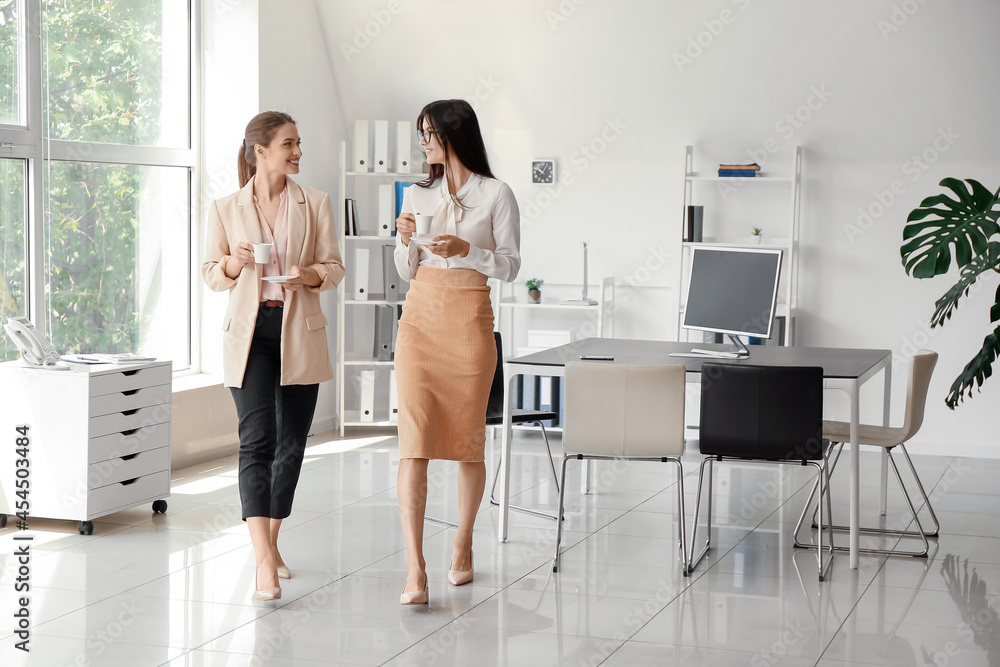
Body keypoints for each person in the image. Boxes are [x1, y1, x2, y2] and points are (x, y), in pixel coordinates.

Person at [202, 111, 344, 601]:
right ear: (261, 151)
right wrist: (235, 262)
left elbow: (335, 267)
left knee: (292, 444)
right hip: (250, 334)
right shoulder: (225, 208)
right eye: (289, 144)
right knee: (256, 441)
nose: (298, 151)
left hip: (299, 329)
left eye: (299, 143)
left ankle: (271, 542)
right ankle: (263, 561)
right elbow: (210, 274)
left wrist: (307, 276)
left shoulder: (316, 202)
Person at [393, 99, 521, 605]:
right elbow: (407, 272)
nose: (423, 143)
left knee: (467, 440)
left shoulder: (496, 194)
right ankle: (415, 568)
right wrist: (406, 242)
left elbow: (510, 266)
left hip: (469, 320)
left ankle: (463, 544)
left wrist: (467, 250)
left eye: (430, 133)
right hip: (419, 320)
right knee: (415, 441)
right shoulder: (415, 193)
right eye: (421, 134)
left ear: (454, 134)